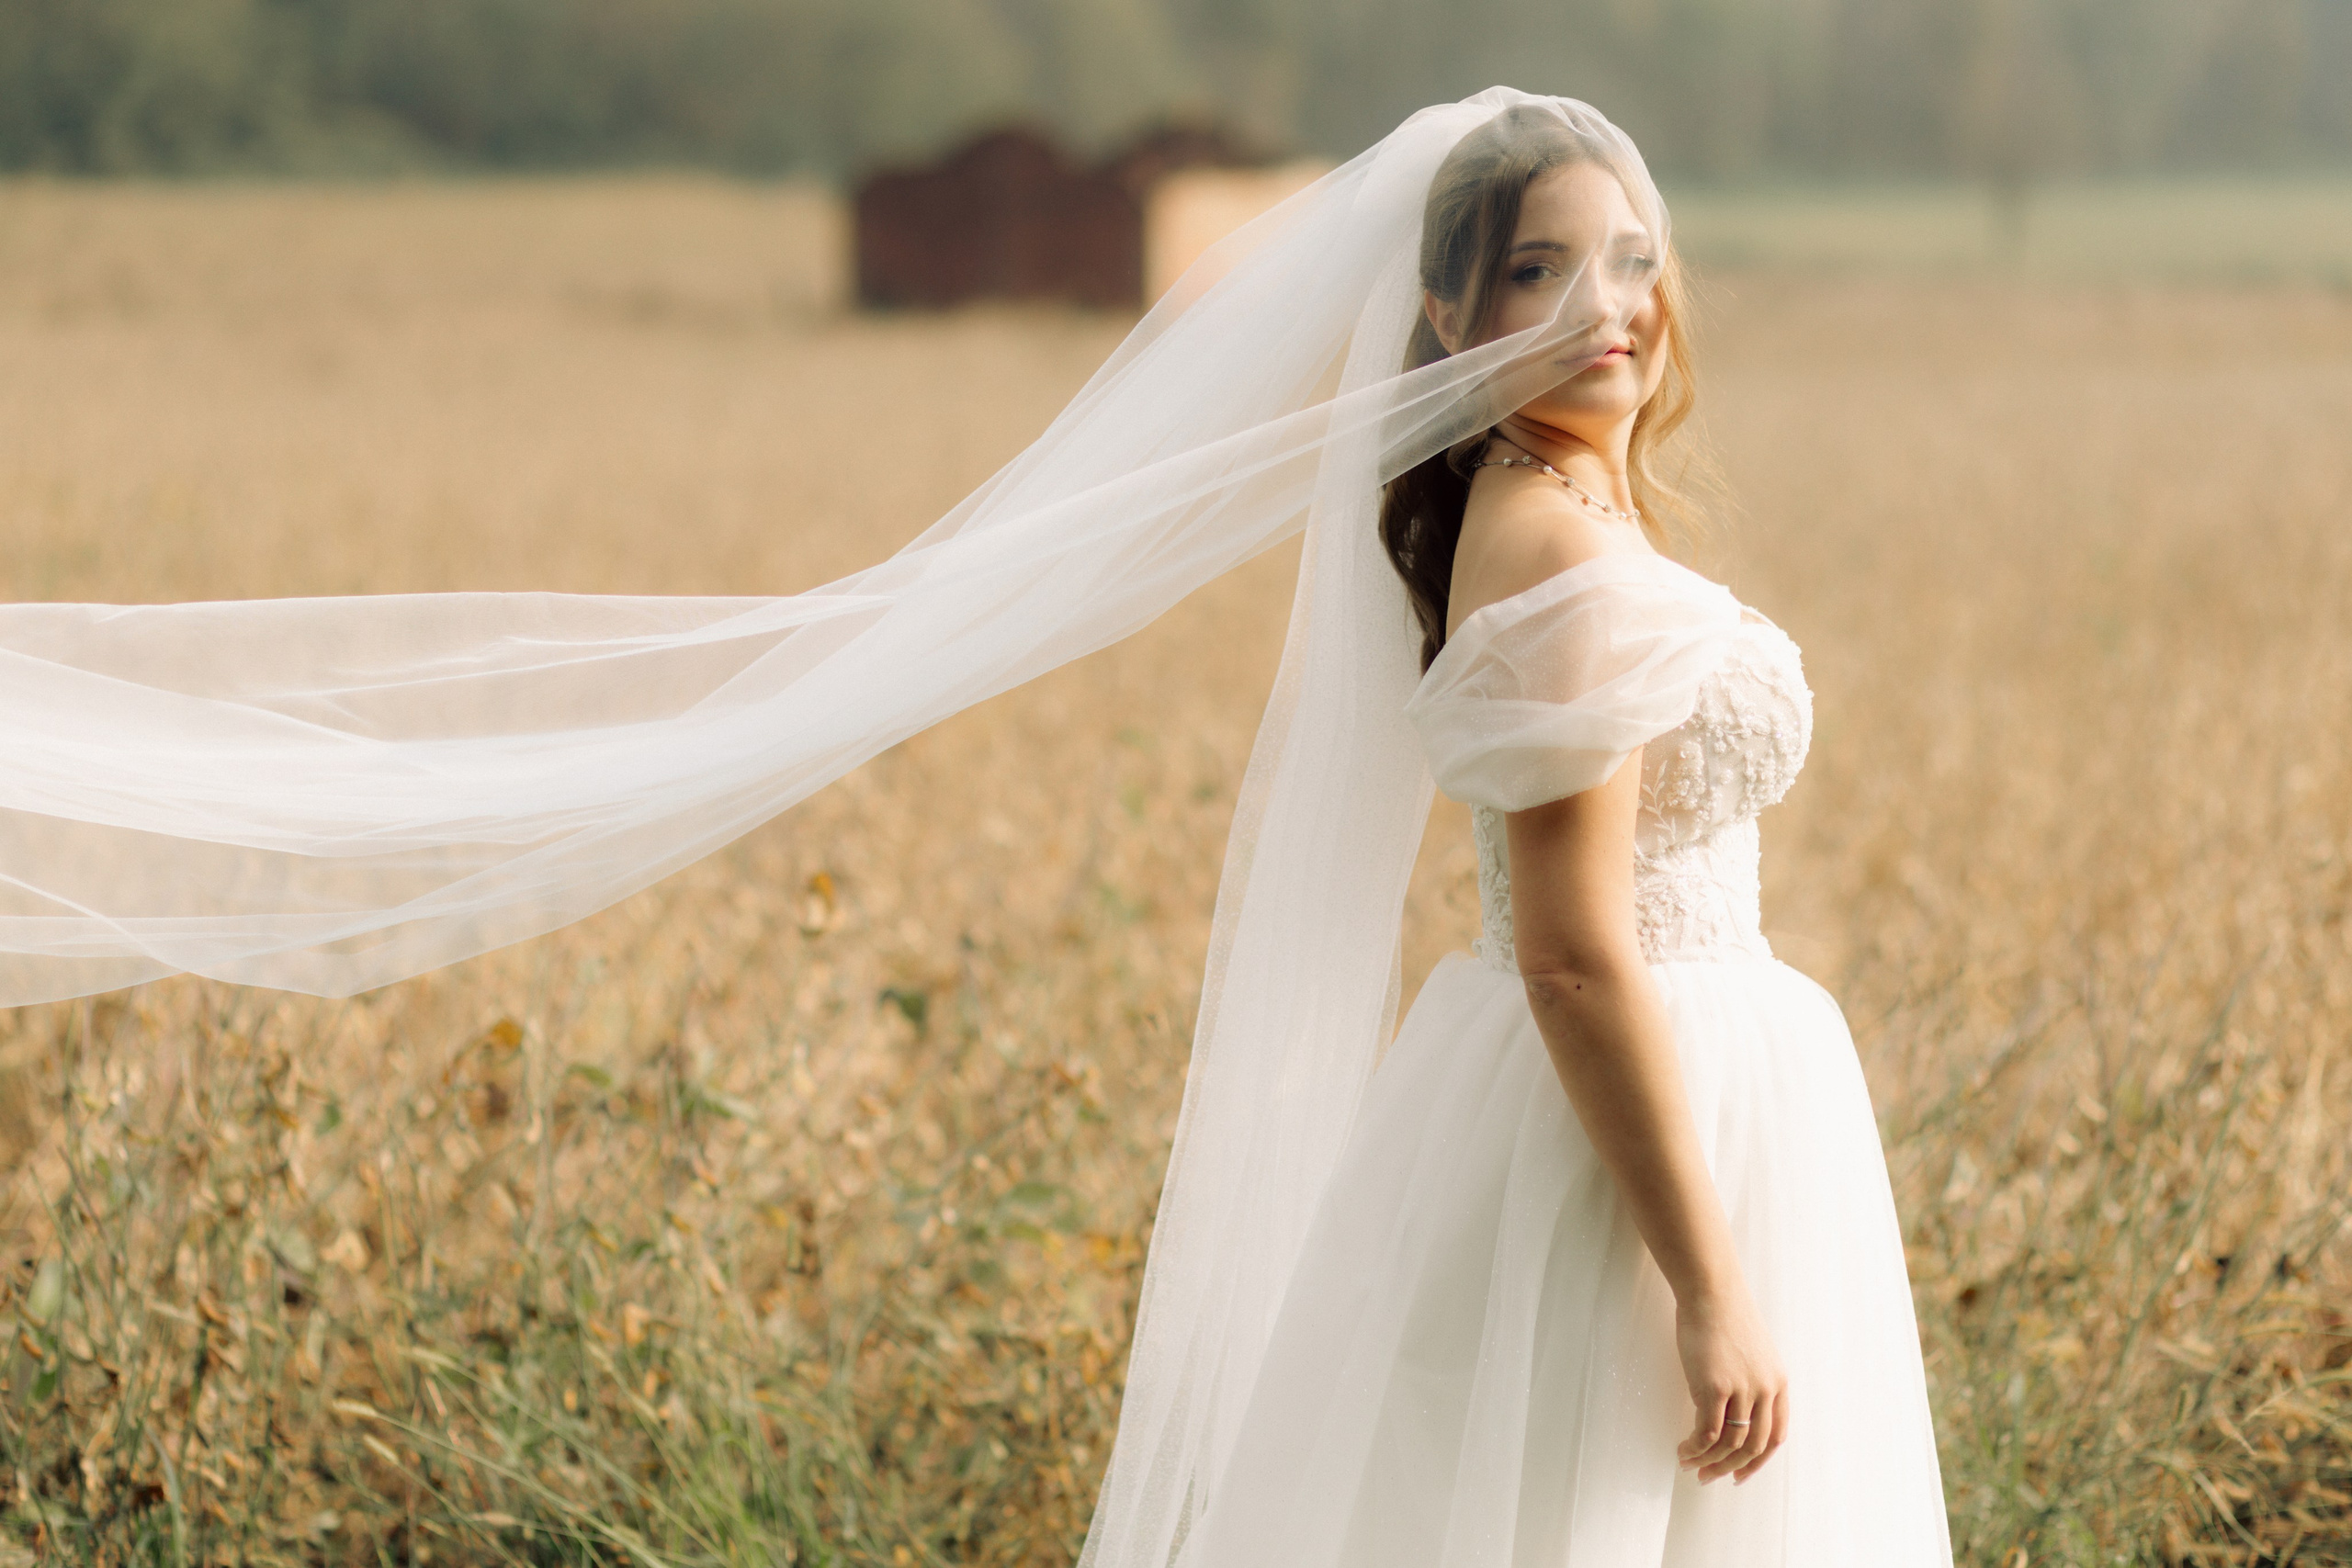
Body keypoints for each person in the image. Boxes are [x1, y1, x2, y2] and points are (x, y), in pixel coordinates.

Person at [0, 89, 1951, 1565]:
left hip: (1670, 1091)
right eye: (1541, 269)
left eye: (1626, 257)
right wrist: (1705, 1275)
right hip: (1633, 1122)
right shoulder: (1545, 536)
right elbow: (1568, 942)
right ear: (1448, 306)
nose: (1606, 306)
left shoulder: (1548, 507)